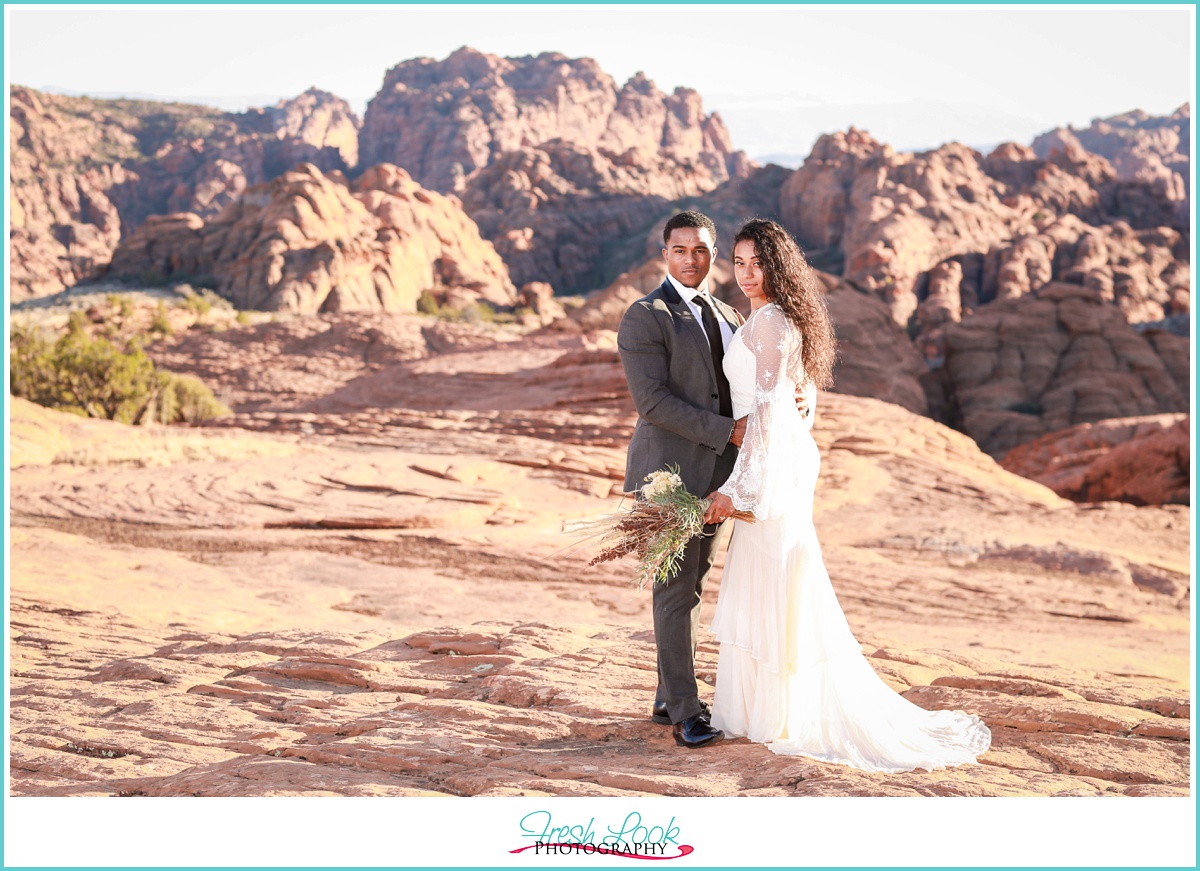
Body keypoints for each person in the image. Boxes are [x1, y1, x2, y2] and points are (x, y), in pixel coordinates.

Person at [702, 219, 991, 771]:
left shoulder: (770, 322)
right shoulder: (771, 319)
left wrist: (738, 488)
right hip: (780, 456)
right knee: (776, 576)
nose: (746, 273)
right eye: (738, 262)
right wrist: (802, 400)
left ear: (778, 266)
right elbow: (793, 393)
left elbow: (765, 409)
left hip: (773, 465)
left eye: (757, 262)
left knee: (779, 576)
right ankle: (769, 709)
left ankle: (781, 713)